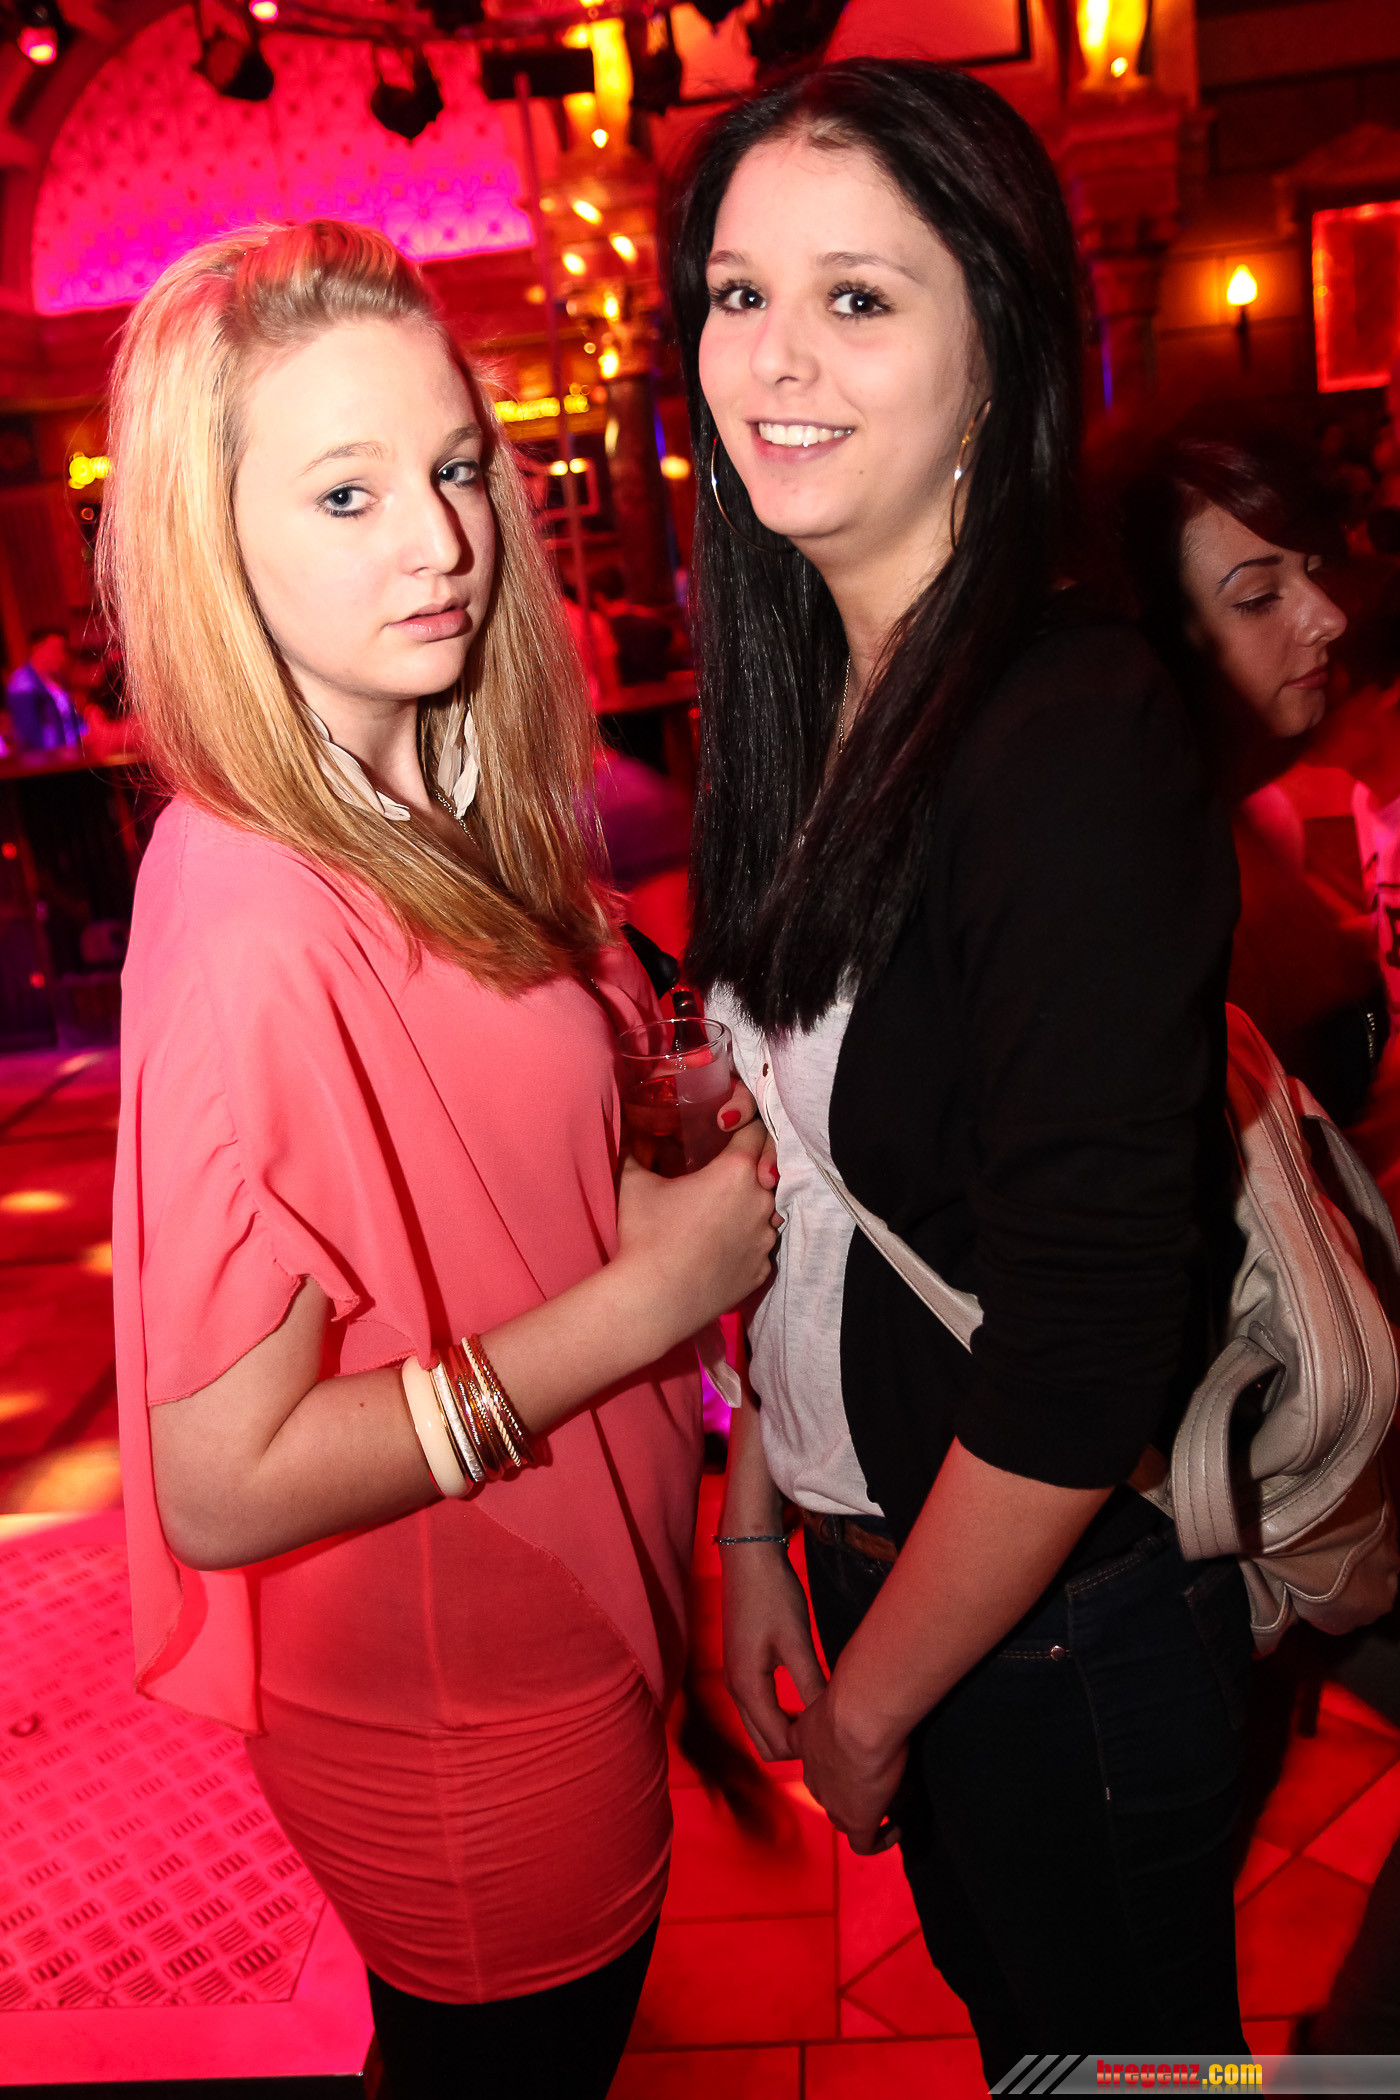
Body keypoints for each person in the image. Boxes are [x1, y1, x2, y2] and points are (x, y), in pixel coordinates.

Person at [104, 221, 778, 2100]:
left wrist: (643, 1117)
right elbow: (221, 1484)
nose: (442, 540)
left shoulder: (426, 789)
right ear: (213, 545)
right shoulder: (251, 909)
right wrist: (649, 1296)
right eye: (347, 493)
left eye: (456, 468)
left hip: (564, 1597)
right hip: (461, 1696)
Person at [668, 60, 1251, 2077]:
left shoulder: (1067, 728)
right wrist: (764, 1526)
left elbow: (1085, 1347)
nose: (774, 357)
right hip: (883, 1568)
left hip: (1057, 1624)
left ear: (996, 346)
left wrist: (875, 1699)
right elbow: (812, 1200)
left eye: (857, 297)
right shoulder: (812, 705)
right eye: (738, 295)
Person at [1116, 429, 1384, 1122]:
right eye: (1260, 596)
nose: (1330, 616)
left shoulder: (1234, 803)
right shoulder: (1150, 870)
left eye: (1315, 569)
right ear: (1163, 632)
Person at [6, 625, 83, 751]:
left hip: (68, 756)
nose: (62, 657)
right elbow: (29, 734)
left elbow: (71, 722)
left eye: (64, 651)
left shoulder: (58, 681)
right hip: (47, 759)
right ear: (37, 649)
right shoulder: (22, 684)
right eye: (56, 650)